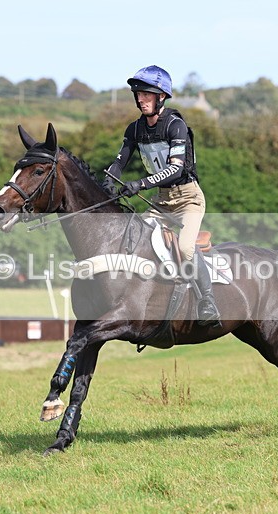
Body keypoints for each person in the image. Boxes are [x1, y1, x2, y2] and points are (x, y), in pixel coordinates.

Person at [105, 65, 221, 327]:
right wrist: (109, 180)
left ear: (161, 97)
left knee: (184, 247)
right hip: (161, 201)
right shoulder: (135, 129)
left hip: (188, 199)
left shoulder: (175, 125)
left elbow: (175, 168)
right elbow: (120, 161)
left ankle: (207, 301)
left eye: (146, 94)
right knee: (135, 241)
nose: (140, 99)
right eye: (138, 94)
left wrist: (140, 183)